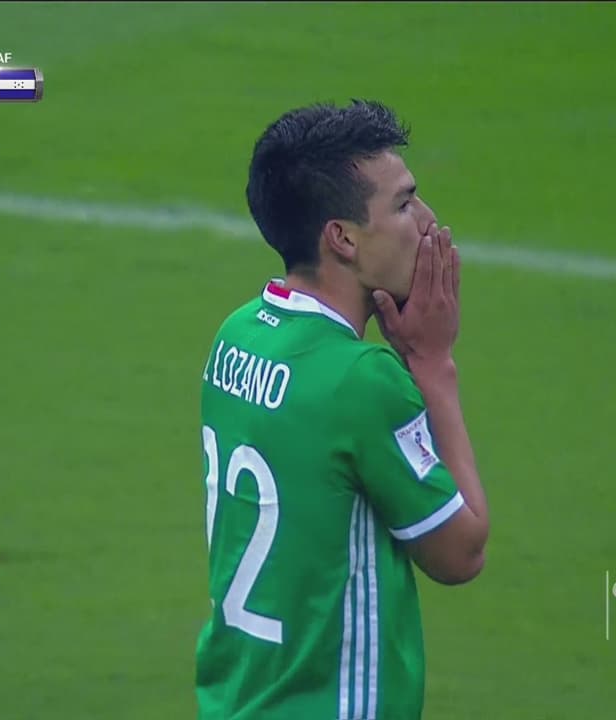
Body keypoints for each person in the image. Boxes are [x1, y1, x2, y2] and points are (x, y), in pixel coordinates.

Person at [196, 99, 491, 720]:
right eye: (404, 205)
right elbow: (461, 553)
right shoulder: (361, 380)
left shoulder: (237, 334)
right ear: (343, 238)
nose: (429, 223)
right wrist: (433, 364)